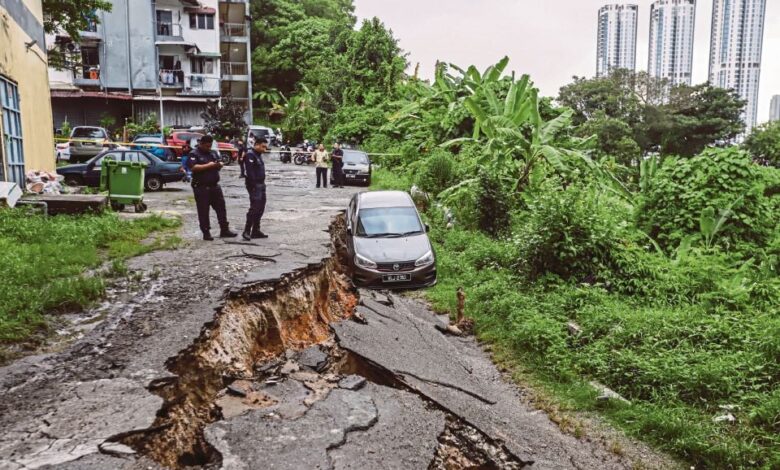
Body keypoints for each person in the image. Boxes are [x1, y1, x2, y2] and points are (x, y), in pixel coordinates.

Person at [187, 135, 238, 241]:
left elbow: (217, 162)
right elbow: (193, 167)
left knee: (221, 209)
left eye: (210, 146)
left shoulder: (213, 153)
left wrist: (219, 164)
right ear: (201, 144)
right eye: (206, 146)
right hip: (201, 187)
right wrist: (209, 165)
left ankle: (224, 229)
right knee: (204, 211)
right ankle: (206, 233)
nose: (208, 148)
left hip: (214, 186)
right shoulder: (194, 153)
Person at [242, 138, 269, 240]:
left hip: (261, 185)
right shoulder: (250, 155)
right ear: (256, 145)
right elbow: (250, 172)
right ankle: (247, 230)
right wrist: (253, 186)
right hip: (254, 185)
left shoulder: (258, 155)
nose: (264, 149)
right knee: (254, 208)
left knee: (261, 208)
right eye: (263, 146)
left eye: (265, 147)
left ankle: (256, 230)